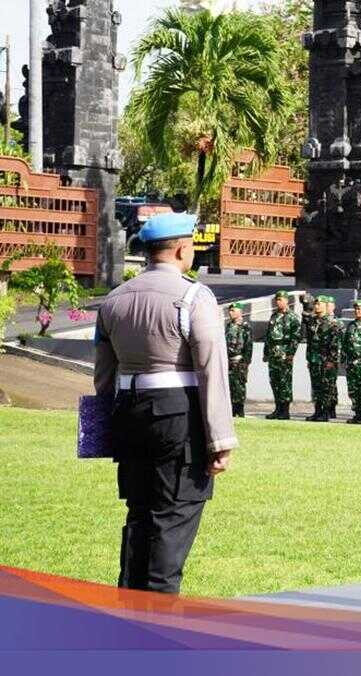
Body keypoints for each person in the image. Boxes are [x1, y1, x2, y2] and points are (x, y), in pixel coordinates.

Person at [93, 212, 236, 593]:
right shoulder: (194, 296)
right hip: (177, 414)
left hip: (128, 413)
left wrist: (101, 431)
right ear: (180, 249)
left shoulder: (114, 300)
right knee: (172, 519)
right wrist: (220, 440)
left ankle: (129, 609)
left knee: (139, 516)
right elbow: (211, 370)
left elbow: (104, 375)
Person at [264, 291, 301, 420]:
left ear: (286, 300)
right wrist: (266, 352)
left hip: (285, 352)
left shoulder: (292, 317)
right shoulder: (274, 316)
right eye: (277, 300)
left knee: (285, 382)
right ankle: (278, 408)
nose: (278, 302)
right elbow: (268, 335)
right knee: (274, 381)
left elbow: (296, 337)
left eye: (281, 299)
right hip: (274, 353)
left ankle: (285, 410)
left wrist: (291, 354)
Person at [224, 302, 253, 418]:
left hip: (239, 360)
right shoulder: (228, 326)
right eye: (229, 311)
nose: (230, 313)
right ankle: (231, 408)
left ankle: (239, 409)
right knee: (230, 385)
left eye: (233, 310)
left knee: (239, 385)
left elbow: (249, 345)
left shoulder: (245, 326)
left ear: (240, 312)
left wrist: (246, 361)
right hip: (228, 361)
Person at [303, 295, 327, 422]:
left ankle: (325, 412)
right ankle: (317, 411)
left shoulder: (331, 322)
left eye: (319, 304)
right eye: (315, 304)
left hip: (325, 360)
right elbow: (310, 341)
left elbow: (334, 344)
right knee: (316, 387)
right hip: (314, 358)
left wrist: (331, 360)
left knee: (325, 386)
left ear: (325, 306)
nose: (316, 306)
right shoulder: (312, 321)